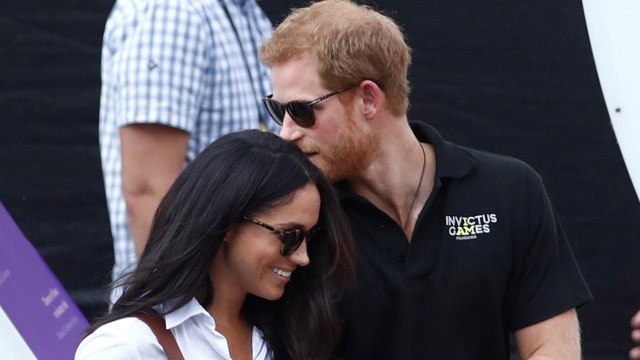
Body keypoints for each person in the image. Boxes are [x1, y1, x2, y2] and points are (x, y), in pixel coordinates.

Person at [259, 0, 593, 358]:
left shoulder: (509, 190)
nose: (286, 133)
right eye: (278, 110)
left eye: (301, 110)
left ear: (368, 99)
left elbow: (551, 345)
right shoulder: (297, 217)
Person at [76, 130, 355, 359]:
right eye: (289, 236)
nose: (303, 257)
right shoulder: (128, 347)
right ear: (228, 224)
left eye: (310, 238)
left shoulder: (291, 337)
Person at [99, 0, 277, 302]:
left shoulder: (247, 12)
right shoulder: (173, 11)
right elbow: (147, 190)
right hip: (189, 310)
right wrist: (184, 313)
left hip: (229, 306)